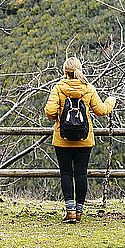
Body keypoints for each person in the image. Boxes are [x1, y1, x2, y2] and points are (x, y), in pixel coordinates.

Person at [44, 57, 116, 223]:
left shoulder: (58, 88)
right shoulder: (88, 89)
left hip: (62, 138)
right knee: (81, 173)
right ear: (80, 70)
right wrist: (111, 100)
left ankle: (69, 212)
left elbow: (49, 112)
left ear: (65, 72)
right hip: (84, 139)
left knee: (66, 173)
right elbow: (101, 110)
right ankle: (79, 212)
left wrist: (60, 114)